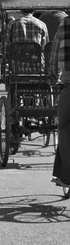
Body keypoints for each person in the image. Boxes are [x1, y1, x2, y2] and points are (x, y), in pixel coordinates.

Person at [48, 16, 70, 188]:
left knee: (64, 128)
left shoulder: (66, 23)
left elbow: (55, 54)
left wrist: (53, 76)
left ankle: (65, 176)